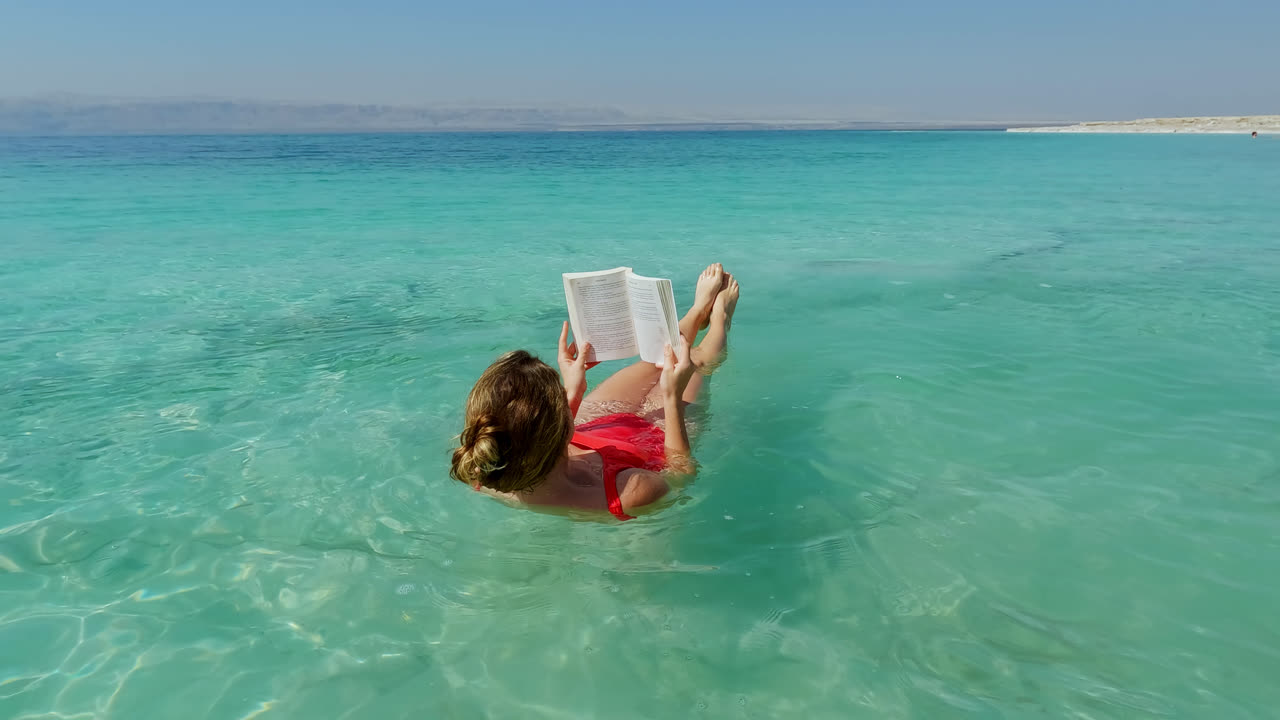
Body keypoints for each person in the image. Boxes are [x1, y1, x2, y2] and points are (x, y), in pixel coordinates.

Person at [450, 264, 740, 519]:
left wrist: (573, 394)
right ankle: (718, 319)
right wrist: (671, 398)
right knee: (699, 363)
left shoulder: (488, 468)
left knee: (656, 361)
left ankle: (696, 311)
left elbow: (536, 443)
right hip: (651, 443)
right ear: (558, 424)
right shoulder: (628, 494)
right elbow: (680, 479)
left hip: (590, 429)